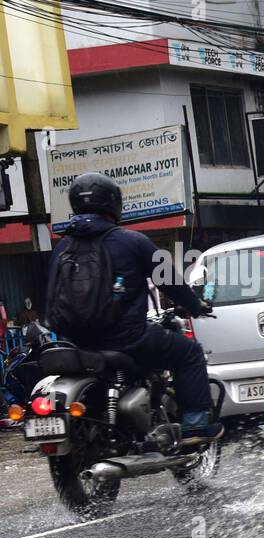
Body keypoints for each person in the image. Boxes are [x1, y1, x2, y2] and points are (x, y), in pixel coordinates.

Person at [46, 173, 220, 439]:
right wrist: (195, 305)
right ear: (113, 203)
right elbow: (171, 282)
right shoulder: (132, 241)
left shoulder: (62, 247)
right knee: (189, 353)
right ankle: (195, 424)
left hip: (76, 343)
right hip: (128, 338)